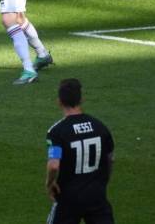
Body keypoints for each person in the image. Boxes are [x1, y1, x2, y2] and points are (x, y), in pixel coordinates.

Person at [45, 79, 115, 224]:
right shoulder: (99, 126)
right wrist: (102, 182)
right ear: (81, 99)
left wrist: (49, 183)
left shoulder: (56, 132)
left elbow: (53, 165)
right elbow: (110, 158)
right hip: (96, 195)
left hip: (68, 197)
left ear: (59, 101)